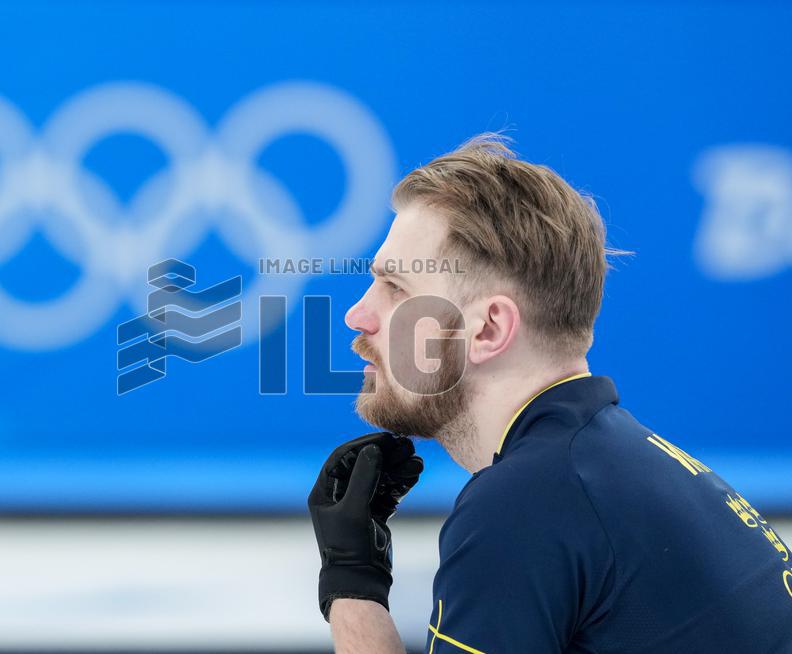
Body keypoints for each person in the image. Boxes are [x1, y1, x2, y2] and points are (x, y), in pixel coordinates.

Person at [307, 134, 792, 653]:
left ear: (489, 329)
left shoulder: (525, 506)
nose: (357, 315)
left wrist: (351, 586)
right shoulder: (617, 468)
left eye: (396, 288)